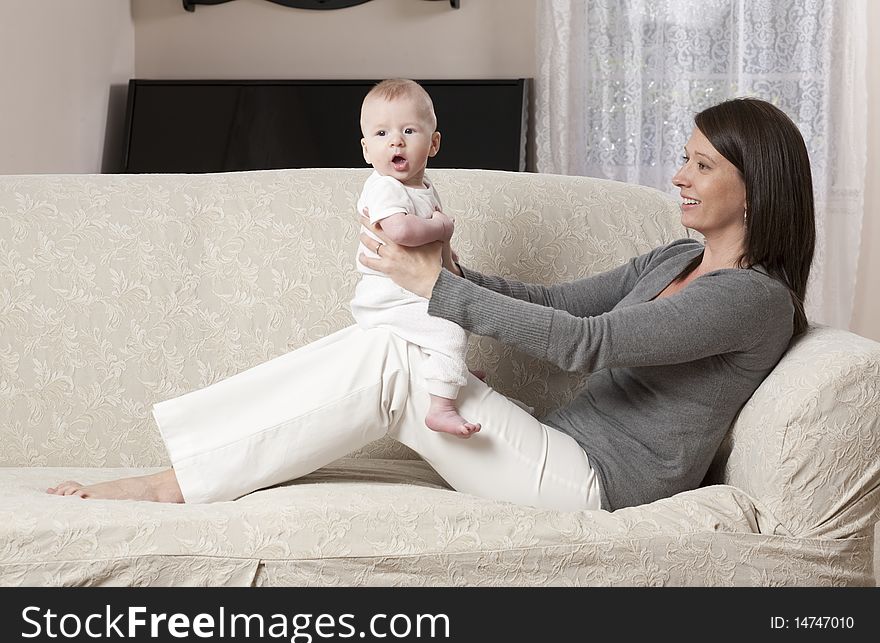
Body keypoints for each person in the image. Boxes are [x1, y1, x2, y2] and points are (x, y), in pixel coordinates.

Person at [47, 97, 815, 514]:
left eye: (702, 164)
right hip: (549, 448)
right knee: (394, 347)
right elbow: (550, 300)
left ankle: (172, 484)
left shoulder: (752, 301)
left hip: (594, 487)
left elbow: (590, 342)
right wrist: (452, 270)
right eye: (684, 156)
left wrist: (435, 290)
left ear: (757, 186)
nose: (679, 175)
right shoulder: (676, 255)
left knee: (391, 357)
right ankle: (182, 469)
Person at [353, 79, 480, 437]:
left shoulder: (423, 188)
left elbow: (422, 241)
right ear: (366, 150)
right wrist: (441, 229)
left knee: (461, 308)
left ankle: (454, 373)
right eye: (381, 133)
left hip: (407, 288)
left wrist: (444, 251)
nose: (396, 140)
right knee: (448, 326)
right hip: (387, 296)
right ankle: (441, 405)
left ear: (434, 143)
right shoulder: (383, 186)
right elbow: (401, 232)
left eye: (408, 130)